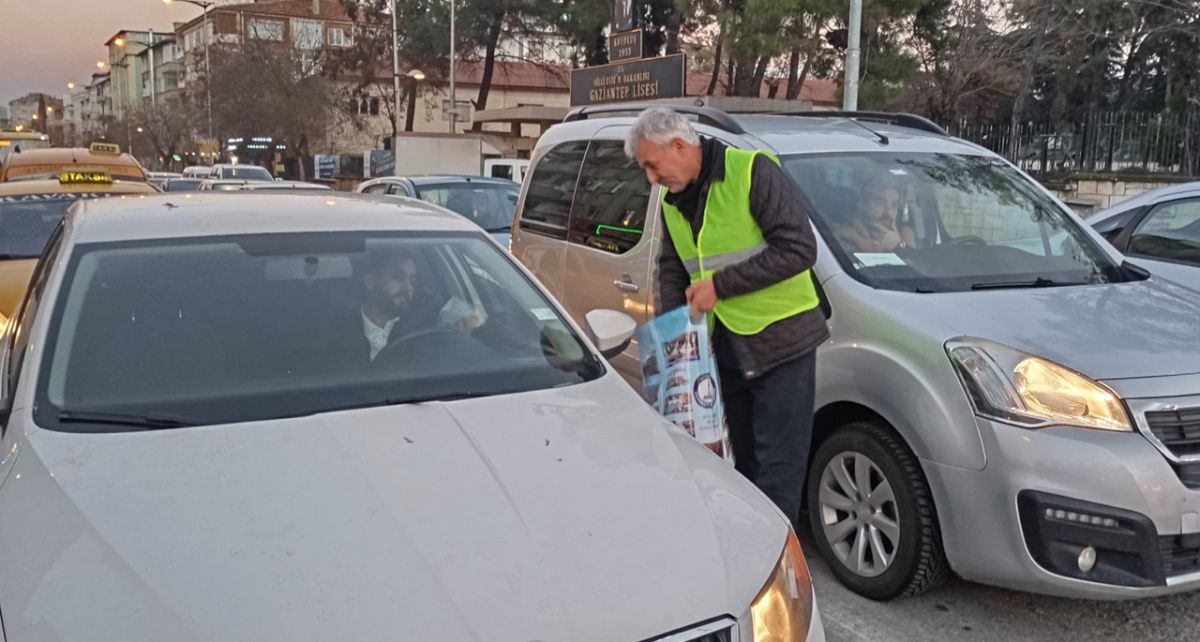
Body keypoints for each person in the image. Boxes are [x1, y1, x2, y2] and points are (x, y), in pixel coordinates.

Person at [626, 107, 829, 525]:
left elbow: (798, 249)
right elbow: (673, 266)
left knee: (779, 471)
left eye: (651, 164)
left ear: (679, 146)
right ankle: (748, 553)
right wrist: (675, 328)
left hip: (781, 346)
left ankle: (779, 573)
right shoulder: (671, 200)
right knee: (739, 469)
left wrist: (720, 286)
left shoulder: (751, 172)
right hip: (724, 352)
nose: (650, 178)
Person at [832, 178, 915, 253]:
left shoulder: (904, 234)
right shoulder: (845, 233)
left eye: (894, 205)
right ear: (861, 203)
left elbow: (912, 265)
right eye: (880, 203)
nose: (888, 213)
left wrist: (899, 245)